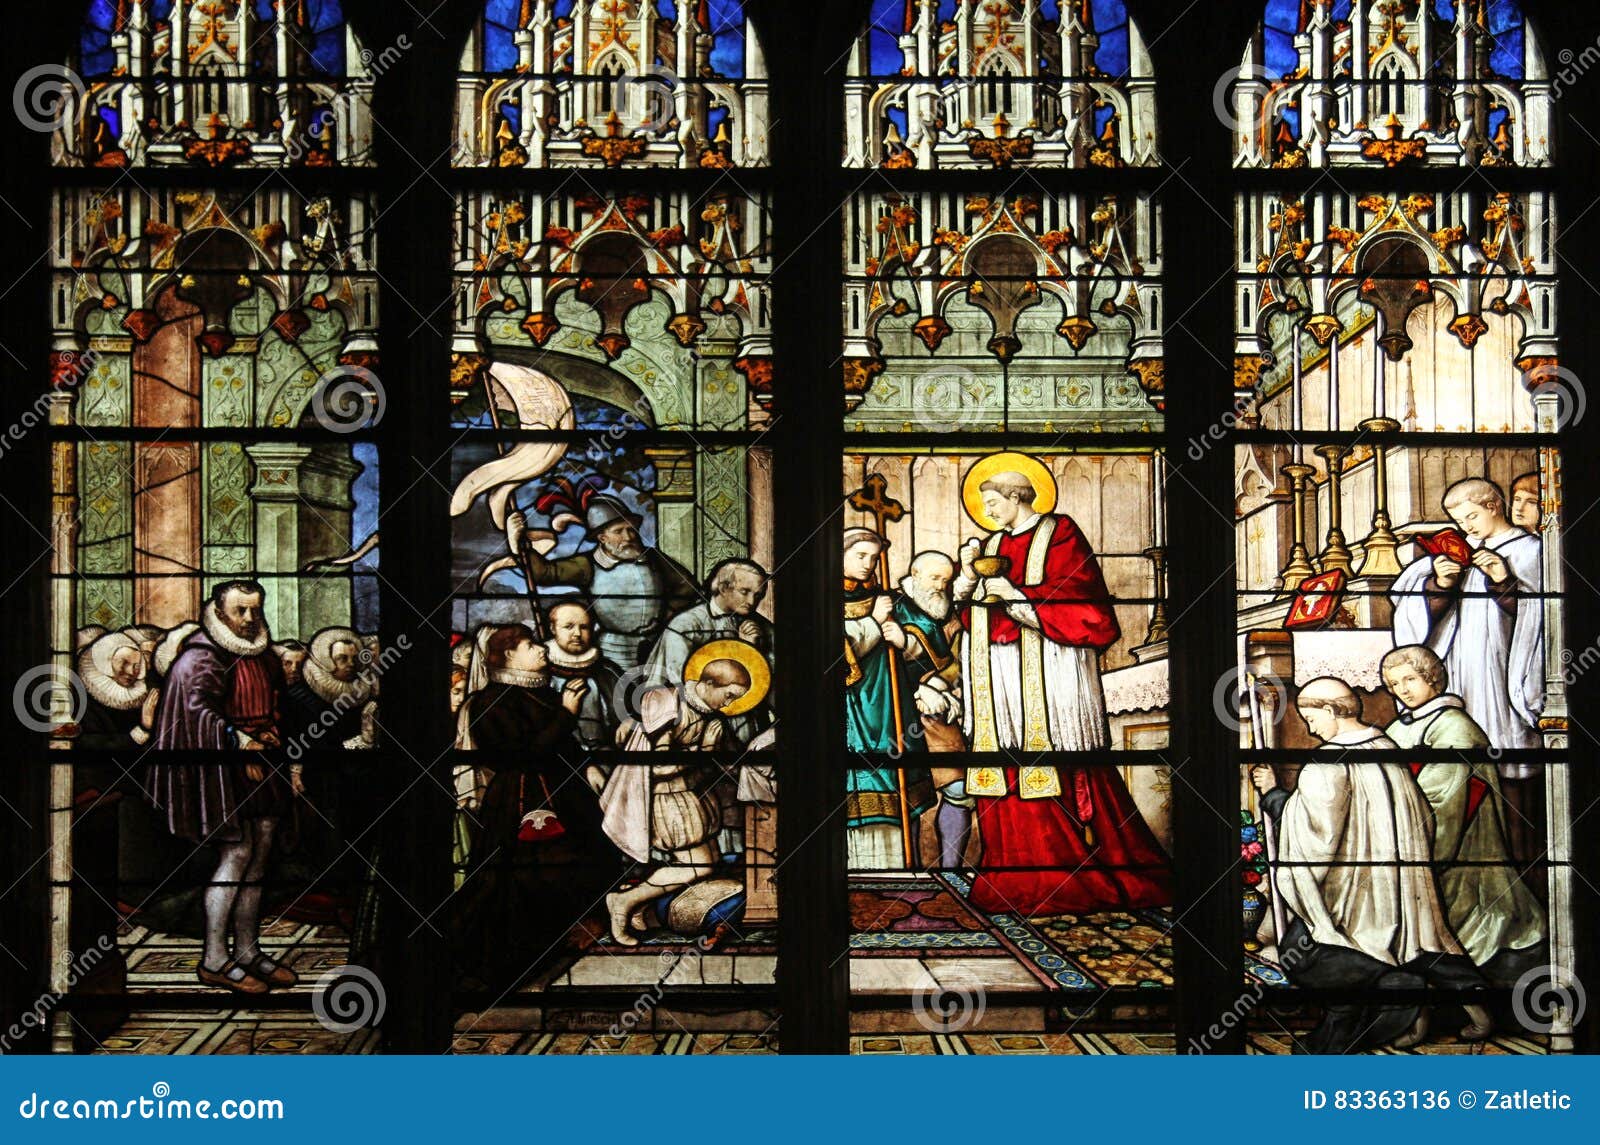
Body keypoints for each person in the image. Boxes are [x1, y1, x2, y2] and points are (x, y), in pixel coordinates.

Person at [952, 467, 1171, 914]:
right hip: (998, 672)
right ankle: (1012, 878)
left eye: (992, 501)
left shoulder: (1060, 531)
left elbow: (1081, 598)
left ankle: (1075, 876)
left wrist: (1015, 596)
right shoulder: (990, 546)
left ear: (1016, 495)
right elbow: (975, 614)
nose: (987, 510)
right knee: (1006, 762)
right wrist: (967, 589)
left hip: (1052, 666)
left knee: (1063, 764)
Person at [1250, 677, 1489, 1052]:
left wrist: (1274, 795)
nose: (1311, 727)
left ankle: (1393, 1000)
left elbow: (1316, 837)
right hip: (1401, 879)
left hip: (1356, 891)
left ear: (1331, 711)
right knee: (1421, 943)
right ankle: (1473, 1010)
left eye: (1312, 718)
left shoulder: (1326, 764)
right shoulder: (1384, 743)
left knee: (1307, 952)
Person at [146, 580, 302, 995]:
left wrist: (272, 737)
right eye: (241, 611)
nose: (251, 619)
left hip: (262, 762)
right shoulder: (200, 657)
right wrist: (241, 742)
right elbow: (195, 713)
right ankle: (215, 958)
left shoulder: (264, 656)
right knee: (236, 854)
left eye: (255, 610)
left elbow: (278, 704)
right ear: (219, 611)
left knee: (260, 853)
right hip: (222, 769)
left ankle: (248, 950)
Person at [452, 624, 619, 990]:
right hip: (519, 801)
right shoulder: (487, 703)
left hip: (564, 793)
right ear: (507, 654)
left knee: (592, 857)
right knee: (522, 877)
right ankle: (517, 958)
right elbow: (523, 753)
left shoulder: (543, 695)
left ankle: (567, 934)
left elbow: (562, 746)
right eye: (530, 645)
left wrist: (586, 766)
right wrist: (567, 713)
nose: (541, 650)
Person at [1380, 645, 1546, 983]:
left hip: (1462, 845)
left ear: (1432, 678)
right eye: (1395, 684)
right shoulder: (1400, 728)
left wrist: (1412, 849)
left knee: (1473, 915)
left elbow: (1446, 798)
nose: (1403, 690)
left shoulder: (1455, 727)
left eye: (1410, 679)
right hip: (1412, 837)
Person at [599, 657, 752, 945]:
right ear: (708, 684)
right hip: (668, 801)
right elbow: (657, 766)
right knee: (697, 868)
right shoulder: (669, 704)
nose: (729, 703)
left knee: (712, 862)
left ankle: (640, 910)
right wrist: (704, 750)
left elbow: (729, 764)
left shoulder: (710, 715)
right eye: (728, 694)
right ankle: (623, 901)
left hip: (693, 799)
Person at [1391, 477, 1543, 755]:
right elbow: (1410, 604)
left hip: (1502, 660)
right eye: (1460, 521)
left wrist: (1503, 581)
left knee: (1502, 736)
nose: (1467, 527)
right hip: (1459, 659)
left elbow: (1543, 616)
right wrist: (1441, 584)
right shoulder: (1462, 551)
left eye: (1472, 516)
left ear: (1493, 506)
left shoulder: (1530, 549)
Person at [506, 493, 698, 670]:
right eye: (619, 531)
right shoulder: (587, 564)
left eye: (631, 529)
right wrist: (517, 547)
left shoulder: (654, 558)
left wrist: (669, 614)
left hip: (657, 642)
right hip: (613, 649)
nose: (629, 537)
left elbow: (687, 586)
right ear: (602, 537)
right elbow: (545, 573)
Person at [841, 529, 934, 869]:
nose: (868, 564)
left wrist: (905, 640)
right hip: (848, 715)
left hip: (890, 712)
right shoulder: (821, 600)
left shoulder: (889, 600)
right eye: (860, 555)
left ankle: (900, 867)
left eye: (873, 556)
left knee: (894, 778)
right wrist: (873, 624)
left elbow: (934, 643)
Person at [644, 558, 774, 743]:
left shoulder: (762, 628)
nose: (752, 601)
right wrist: (744, 651)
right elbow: (688, 684)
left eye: (758, 595)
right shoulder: (685, 624)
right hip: (691, 727)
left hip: (748, 729)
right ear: (723, 588)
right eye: (744, 592)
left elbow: (779, 680)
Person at [543, 600, 623, 752]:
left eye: (584, 627)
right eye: (569, 627)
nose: (577, 634)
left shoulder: (607, 671)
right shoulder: (541, 674)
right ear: (553, 628)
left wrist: (629, 721)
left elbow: (635, 707)